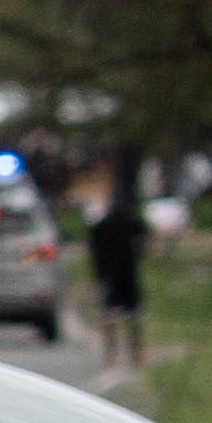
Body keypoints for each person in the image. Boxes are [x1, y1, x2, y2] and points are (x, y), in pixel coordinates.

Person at [85, 159, 154, 393]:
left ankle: (121, 352)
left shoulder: (110, 225)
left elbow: (144, 239)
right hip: (116, 275)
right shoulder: (112, 224)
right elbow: (145, 239)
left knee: (122, 315)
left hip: (116, 275)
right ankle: (124, 351)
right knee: (120, 316)